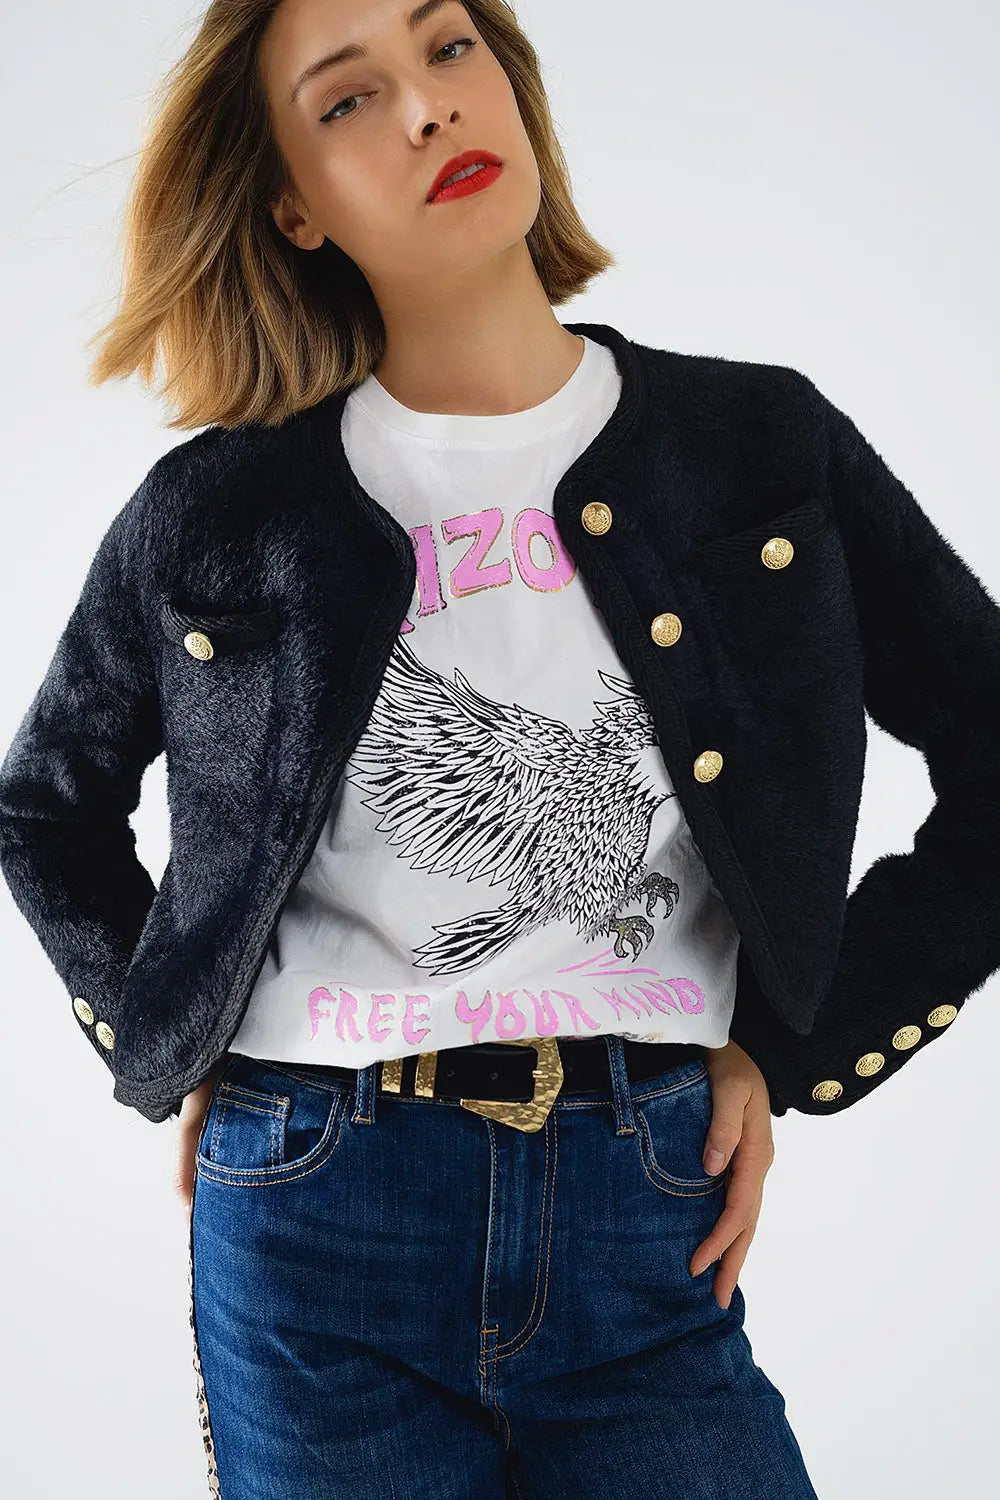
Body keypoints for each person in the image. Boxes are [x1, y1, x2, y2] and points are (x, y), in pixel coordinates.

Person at [4, 1, 997, 1496]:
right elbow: (46, 809)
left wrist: (796, 1044)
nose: (426, 108)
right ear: (291, 204)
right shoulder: (215, 510)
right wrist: (171, 1029)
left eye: (450, 47)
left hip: (647, 1201)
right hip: (312, 1208)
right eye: (348, 101)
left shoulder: (758, 446)